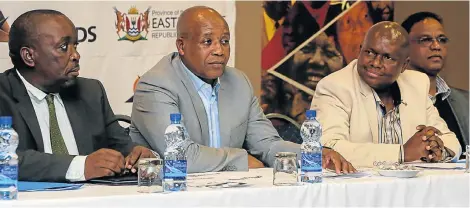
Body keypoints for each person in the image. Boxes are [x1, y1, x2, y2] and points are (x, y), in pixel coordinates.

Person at [130, 6, 355, 173]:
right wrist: (240, 160)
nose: (219, 50)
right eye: (207, 42)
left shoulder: (238, 82)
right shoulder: (156, 84)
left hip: (232, 193)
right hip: (170, 194)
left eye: (225, 41)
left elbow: (267, 143)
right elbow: (180, 156)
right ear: (181, 46)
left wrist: (313, 154)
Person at [0, 9, 155, 182]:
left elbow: (122, 146)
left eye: (76, 46)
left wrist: (138, 154)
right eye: (63, 47)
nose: (76, 55)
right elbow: (5, 159)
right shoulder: (3, 94)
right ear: (29, 56)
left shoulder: (90, 92)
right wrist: (81, 166)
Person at [311, 21, 461, 167]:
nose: (375, 63)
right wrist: (402, 153)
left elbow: (450, 140)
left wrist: (436, 149)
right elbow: (328, 148)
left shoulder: (417, 84)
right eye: (370, 52)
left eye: (387, 57)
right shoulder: (334, 87)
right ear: (360, 50)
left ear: (404, 65)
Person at [401, 12, 468, 155]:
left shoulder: (465, 101)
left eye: (442, 39)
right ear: (404, 47)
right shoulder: (390, 97)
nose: (436, 46)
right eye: (425, 40)